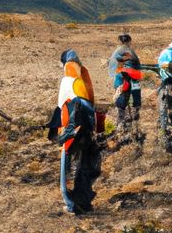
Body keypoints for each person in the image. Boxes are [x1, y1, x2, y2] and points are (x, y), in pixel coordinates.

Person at [52, 49, 101, 214]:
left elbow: (61, 108)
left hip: (72, 130)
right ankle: (84, 200)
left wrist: (57, 131)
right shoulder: (82, 79)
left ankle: (72, 204)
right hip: (87, 128)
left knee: (68, 167)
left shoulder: (67, 81)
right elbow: (90, 104)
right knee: (85, 164)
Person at [107, 33, 143, 142]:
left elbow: (112, 66)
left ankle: (120, 130)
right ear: (129, 41)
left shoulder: (116, 51)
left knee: (121, 106)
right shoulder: (130, 51)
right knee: (132, 104)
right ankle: (131, 131)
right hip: (129, 80)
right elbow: (137, 65)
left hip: (119, 80)